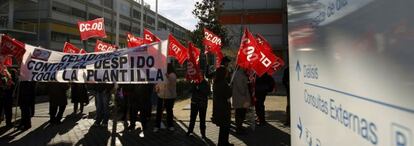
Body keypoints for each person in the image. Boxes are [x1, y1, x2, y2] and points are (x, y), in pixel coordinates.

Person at [212, 67, 233, 146]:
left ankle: (223, 143)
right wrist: (230, 88)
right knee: (225, 127)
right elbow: (228, 94)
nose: (227, 73)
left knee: (223, 128)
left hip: (218, 107)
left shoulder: (216, 82)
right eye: (226, 72)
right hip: (224, 108)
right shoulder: (223, 83)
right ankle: (223, 143)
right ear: (223, 73)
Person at [154, 63, 177, 132]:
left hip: (170, 97)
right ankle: (157, 126)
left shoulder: (172, 75)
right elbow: (158, 82)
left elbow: (172, 84)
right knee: (159, 112)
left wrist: (167, 77)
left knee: (169, 111)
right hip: (161, 96)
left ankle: (170, 125)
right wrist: (157, 88)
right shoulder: (160, 73)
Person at [232, 68, 251, 134]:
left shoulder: (241, 73)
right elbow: (241, 88)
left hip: (240, 97)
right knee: (240, 113)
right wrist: (245, 88)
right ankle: (238, 128)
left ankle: (239, 127)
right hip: (240, 97)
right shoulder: (239, 74)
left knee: (241, 112)